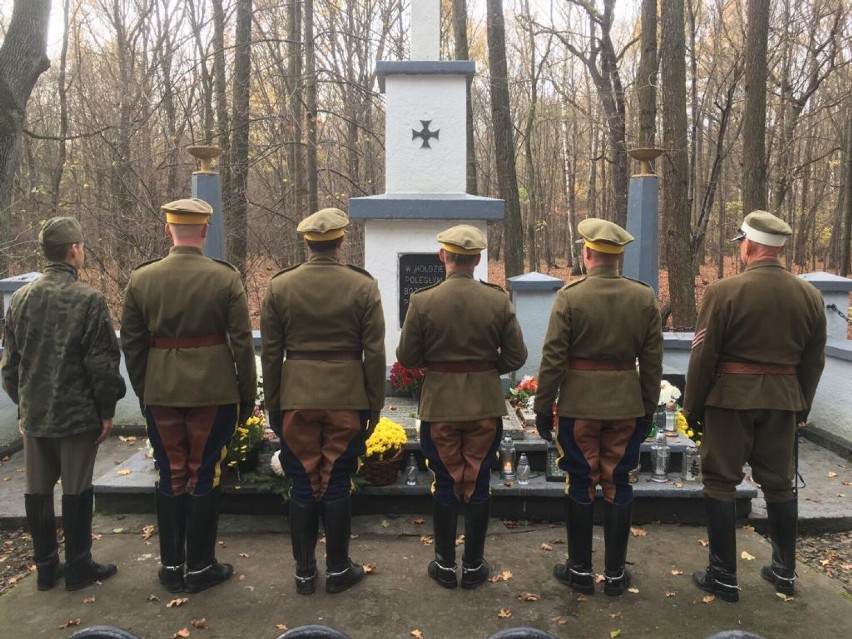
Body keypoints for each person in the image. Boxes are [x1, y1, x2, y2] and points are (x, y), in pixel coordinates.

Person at [683, 210, 826, 602]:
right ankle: (784, 572)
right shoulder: (810, 296)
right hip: (783, 401)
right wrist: (800, 407)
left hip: (730, 401)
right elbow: (814, 361)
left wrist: (693, 407)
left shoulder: (723, 292)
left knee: (719, 481)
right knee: (780, 484)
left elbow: (703, 357)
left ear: (748, 245)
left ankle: (724, 576)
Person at [121, 198, 256, 594]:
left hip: (161, 390)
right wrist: (245, 395)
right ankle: (199, 567)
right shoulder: (225, 278)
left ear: (168, 230)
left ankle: (171, 566)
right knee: (204, 473)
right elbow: (242, 343)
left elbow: (132, 343)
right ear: (204, 230)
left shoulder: (142, 279)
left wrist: (146, 387)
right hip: (213, 391)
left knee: (171, 472)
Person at [534, 218, 662, 597]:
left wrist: (544, 406)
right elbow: (652, 361)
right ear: (619, 256)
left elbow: (553, 356)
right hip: (626, 406)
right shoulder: (643, 297)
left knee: (580, 480)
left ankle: (580, 570)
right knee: (618, 480)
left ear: (587, 254)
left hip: (579, 406)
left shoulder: (570, 297)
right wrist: (648, 406)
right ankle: (617, 574)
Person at [261, 207, 385, 596]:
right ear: (341, 241)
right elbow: (375, 353)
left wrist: (274, 406)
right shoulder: (362, 286)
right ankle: (336, 570)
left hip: (296, 398)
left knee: (302, 484)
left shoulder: (281, 286)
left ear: (307, 242)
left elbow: (271, 353)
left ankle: (303, 573)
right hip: (346, 398)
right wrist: (374, 405)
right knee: (336, 482)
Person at [397, 224, 527, 590]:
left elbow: (406, 356)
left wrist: (438, 369)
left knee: (445, 480)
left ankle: (443, 564)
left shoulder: (423, 300)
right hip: (484, 406)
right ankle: (472, 566)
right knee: (480, 478)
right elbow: (517, 355)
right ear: (478, 258)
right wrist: (485, 372)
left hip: (440, 406)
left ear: (444, 256)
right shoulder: (497, 299)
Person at [1, 217, 126, 591]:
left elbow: (10, 363)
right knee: (76, 489)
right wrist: (106, 410)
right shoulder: (87, 299)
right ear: (74, 249)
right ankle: (78, 565)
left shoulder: (20, 299)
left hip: (36, 415)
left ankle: (44, 567)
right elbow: (102, 362)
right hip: (77, 417)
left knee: (37, 491)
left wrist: (25, 404)